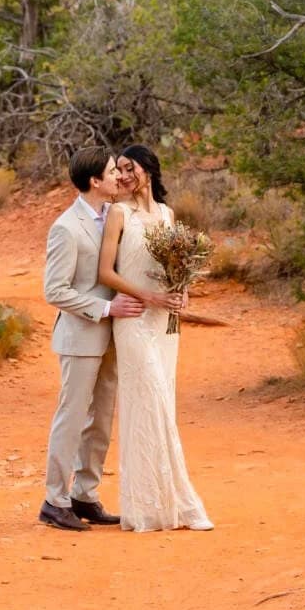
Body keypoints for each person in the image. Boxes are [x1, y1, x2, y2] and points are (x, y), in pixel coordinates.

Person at [95, 145, 214, 532]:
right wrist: (146, 297)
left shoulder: (167, 215)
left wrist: (181, 293)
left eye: (130, 168)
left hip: (164, 322)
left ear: (148, 169)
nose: (124, 176)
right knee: (150, 403)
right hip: (133, 318)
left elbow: (174, 269)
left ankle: (163, 506)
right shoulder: (118, 213)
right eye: (119, 170)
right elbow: (105, 273)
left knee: (163, 400)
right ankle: (165, 505)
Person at [38, 147, 146, 531]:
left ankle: (85, 495)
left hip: (113, 338)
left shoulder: (114, 217)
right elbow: (55, 290)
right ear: (94, 182)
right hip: (80, 337)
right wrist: (105, 309)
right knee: (71, 419)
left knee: (100, 420)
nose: (119, 176)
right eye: (111, 172)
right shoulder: (66, 228)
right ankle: (54, 500)